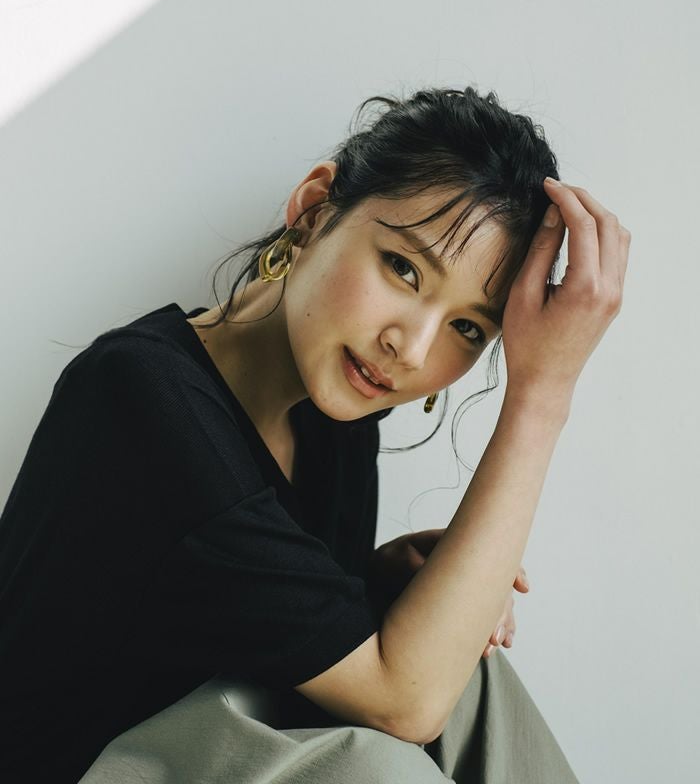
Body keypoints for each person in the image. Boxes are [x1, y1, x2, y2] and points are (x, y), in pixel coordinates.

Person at [0, 86, 630, 783]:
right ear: (312, 212)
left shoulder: (335, 424)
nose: (411, 347)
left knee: (467, 668)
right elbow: (404, 703)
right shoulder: (141, 397)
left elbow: (217, 610)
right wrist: (542, 394)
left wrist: (379, 585)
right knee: (376, 765)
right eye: (404, 268)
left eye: (467, 328)